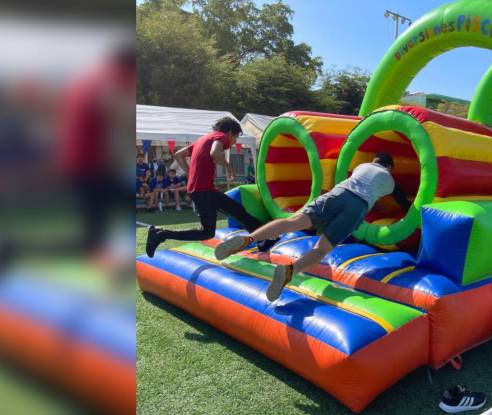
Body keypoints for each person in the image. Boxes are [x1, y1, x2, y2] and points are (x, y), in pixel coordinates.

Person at [214, 153, 410, 301]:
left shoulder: (362, 166)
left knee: (293, 222)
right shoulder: (391, 181)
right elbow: (402, 203)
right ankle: (291, 271)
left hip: (338, 193)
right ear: (389, 167)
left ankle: (248, 239)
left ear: (375, 160)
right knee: (321, 249)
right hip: (357, 208)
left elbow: (362, 184)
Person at [145, 118, 274, 257]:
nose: (235, 142)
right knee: (207, 232)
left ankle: (264, 240)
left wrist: (191, 174)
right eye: (236, 137)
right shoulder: (221, 136)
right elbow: (215, 153)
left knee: (239, 211)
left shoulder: (203, 139)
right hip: (203, 191)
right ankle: (160, 234)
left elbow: (178, 155)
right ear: (230, 132)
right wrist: (229, 167)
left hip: (204, 190)